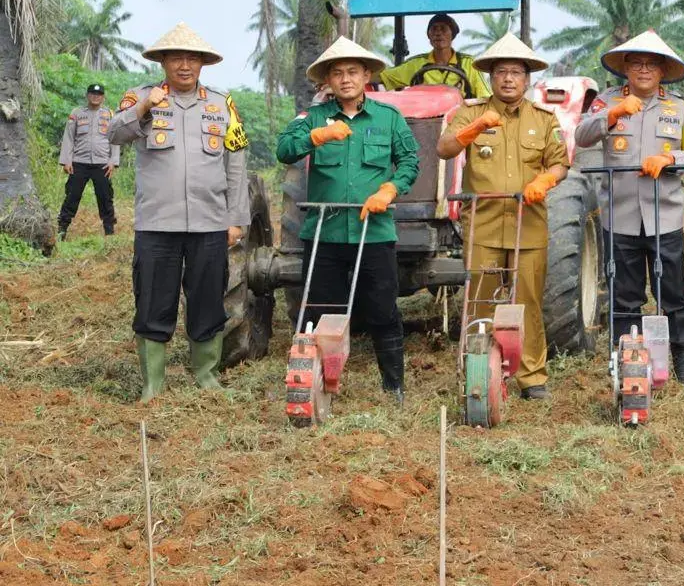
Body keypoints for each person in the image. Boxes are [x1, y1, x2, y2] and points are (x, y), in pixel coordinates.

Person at [108, 23, 249, 401]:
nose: (184, 65)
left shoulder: (222, 104)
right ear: (163, 62)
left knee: (208, 298)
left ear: (203, 64)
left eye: (192, 58)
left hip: (209, 223)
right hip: (157, 223)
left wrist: (236, 220)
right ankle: (153, 384)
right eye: (176, 58)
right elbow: (113, 134)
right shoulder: (140, 96)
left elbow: (236, 163)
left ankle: (206, 374)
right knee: (154, 299)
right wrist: (143, 107)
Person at [277, 37, 420, 405]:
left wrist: (389, 189)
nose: (345, 79)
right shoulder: (313, 118)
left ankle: (394, 387)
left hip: (373, 234)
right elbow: (284, 150)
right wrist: (316, 136)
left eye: (352, 72)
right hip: (324, 233)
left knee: (383, 310)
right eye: (337, 73)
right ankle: (313, 384)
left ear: (367, 75)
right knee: (317, 311)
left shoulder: (388, 118)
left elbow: (409, 161)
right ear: (327, 80)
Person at [574, 30, 684, 388]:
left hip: (665, 216)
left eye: (652, 64)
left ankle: (683, 363)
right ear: (625, 68)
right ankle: (625, 363)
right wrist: (613, 114)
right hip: (620, 217)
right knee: (623, 294)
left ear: (663, 70)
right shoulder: (606, 101)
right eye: (637, 63)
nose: (644, 69)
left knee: (674, 293)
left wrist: (670, 158)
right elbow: (582, 136)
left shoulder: (679, 107)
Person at [439, 34, 569, 399]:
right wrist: (474, 129)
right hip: (482, 223)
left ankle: (532, 376)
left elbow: (560, 163)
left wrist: (546, 179)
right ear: (490, 78)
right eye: (501, 73)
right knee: (480, 300)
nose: (508, 79)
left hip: (528, 224)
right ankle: (479, 370)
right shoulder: (471, 112)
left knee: (527, 298)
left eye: (516, 72)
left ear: (527, 80)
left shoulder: (544, 119)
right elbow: (444, 148)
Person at [57, 82, 120, 239]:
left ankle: (109, 232)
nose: (95, 97)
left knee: (105, 198)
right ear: (87, 95)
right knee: (72, 196)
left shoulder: (110, 115)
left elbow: (115, 139)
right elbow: (69, 137)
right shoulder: (77, 113)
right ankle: (62, 230)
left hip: (102, 164)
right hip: (79, 163)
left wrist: (113, 161)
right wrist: (67, 161)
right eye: (92, 94)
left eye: (98, 94)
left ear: (103, 97)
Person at [378, 13, 490, 98]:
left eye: (443, 29)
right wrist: (363, 74)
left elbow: (485, 97)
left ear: (453, 34)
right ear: (429, 35)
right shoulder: (416, 64)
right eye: (434, 29)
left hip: (460, 122)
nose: (438, 33)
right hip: (423, 122)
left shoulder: (469, 63)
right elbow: (383, 77)